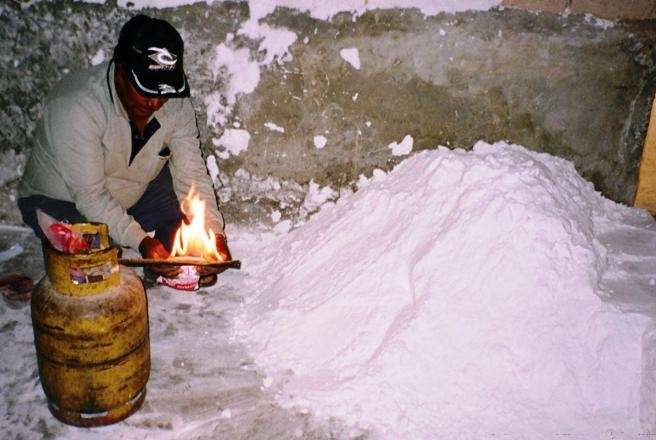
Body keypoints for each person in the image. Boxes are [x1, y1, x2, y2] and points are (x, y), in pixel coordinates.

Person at [17, 15, 230, 287]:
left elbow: (192, 176)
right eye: (145, 90)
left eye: (162, 91)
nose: (155, 102)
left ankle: (163, 264)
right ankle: (133, 249)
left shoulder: (174, 103)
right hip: (62, 201)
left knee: (188, 215)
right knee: (89, 269)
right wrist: (141, 241)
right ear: (121, 69)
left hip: (130, 195)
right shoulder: (77, 106)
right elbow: (91, 197)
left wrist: (214, 235)